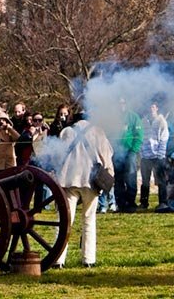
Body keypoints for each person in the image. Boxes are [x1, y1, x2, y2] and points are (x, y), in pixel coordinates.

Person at [55, 109, 114, 269]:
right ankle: (88, 259)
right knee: (89, 219)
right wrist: (109, 173)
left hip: (69, 179)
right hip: (90, 180)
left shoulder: (67, 131)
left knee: (65, 221)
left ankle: (58, 259)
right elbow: (107, 155)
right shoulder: (97, 131)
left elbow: (58, 155)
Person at [139, 99, 170, 209]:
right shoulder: (143, 121)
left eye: (153, 107)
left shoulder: (161, 121)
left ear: (156, 108)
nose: (151, 109)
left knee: (161, 180)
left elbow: (164, 138)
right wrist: (142, 153)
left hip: (158, 156)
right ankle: (144, 203)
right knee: (145, 181)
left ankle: (163, 202)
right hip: (145, 156)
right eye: (149, 107)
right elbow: (140, 138)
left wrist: (160, 154)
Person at [114, 98, 143, 212]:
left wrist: (134, 150)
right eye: (119, 103)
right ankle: (120, 203)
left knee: (131, 177)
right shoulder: (113, 117)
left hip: (130, 152)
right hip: (117, 152)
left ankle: (131, 202)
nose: (121, 105)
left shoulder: (134, 117)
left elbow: (139, 135)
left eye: (123, 103)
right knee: (118, 179)